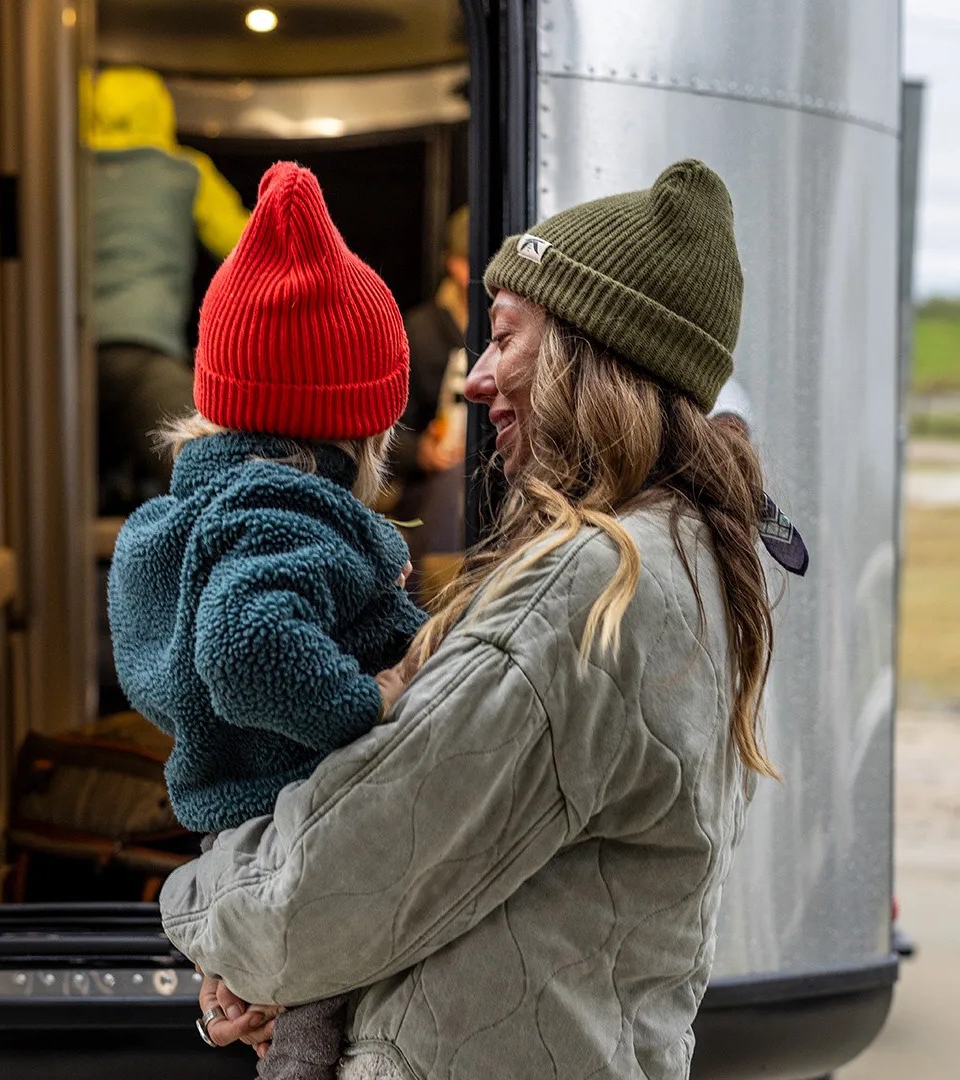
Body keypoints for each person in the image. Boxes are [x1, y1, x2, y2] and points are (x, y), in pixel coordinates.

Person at [159, 160, 780, 1078]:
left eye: (503, 339)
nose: (477, 378)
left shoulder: (583, 591)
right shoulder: (682, 558)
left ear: (589, 358)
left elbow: (325, 893)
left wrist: (192, 909)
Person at [107, 161, 428, 1080]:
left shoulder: (180, 520)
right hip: (308, 832)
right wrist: (373, 692)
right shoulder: (289, 513)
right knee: (314, 1048)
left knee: (275, 1028)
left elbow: (169, 659)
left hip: (235, 835)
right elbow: (244, 648)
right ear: (357, 427)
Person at [87, 66, 250, 510]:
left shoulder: (62, 169)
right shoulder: (186, 172)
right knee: (209, 483)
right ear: (160, 110)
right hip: (148, 358)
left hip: (65, 364)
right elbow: (247, 246)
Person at [383, 206, 472, 560]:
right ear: (453, 264)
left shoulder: (513, 323)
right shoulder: (419, 330)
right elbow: (387, 429)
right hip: (432, 485)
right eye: (467, 262)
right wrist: (422, 450)